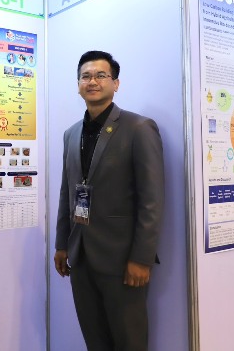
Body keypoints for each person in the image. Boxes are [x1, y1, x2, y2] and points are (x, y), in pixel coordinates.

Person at [54, 51, 164, 351]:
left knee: (129, 341)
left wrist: (142, 258)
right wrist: (62, 244)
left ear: (115, 83)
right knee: (95, 340)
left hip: (123, 259)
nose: (93, 81)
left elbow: (152, 199)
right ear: (78, 85)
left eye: (101, 75)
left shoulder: (139, 128)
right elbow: (66, 192)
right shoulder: (70, 134)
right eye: (86, 76)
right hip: (80, 256)